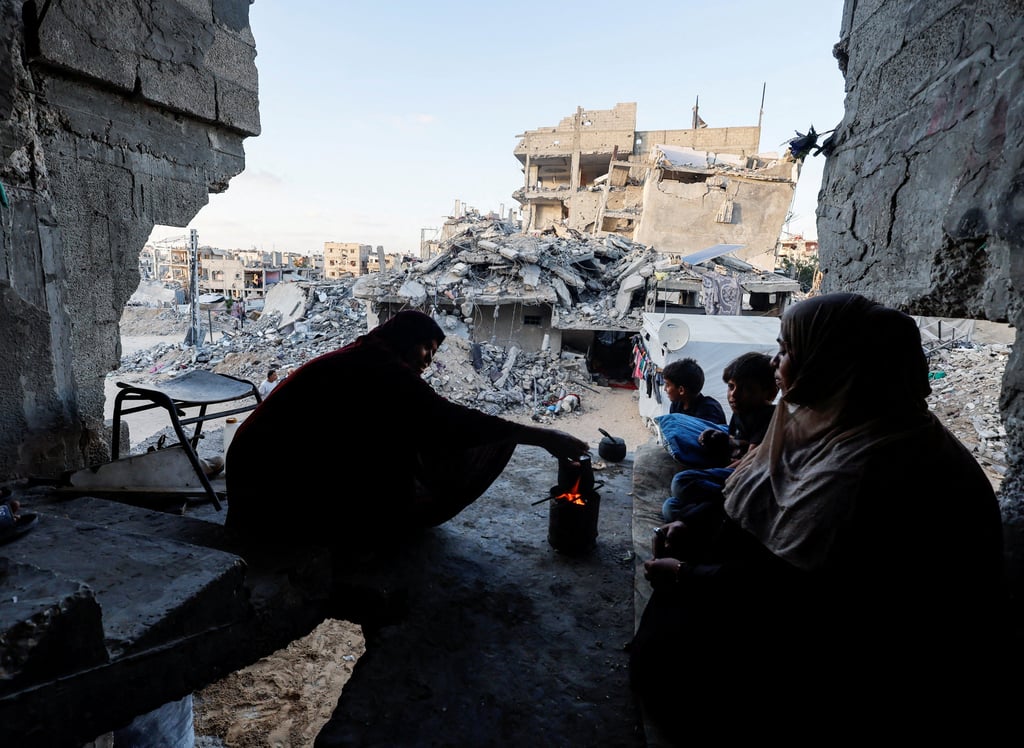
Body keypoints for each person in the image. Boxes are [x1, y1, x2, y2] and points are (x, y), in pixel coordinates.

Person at [630, 293, 1008, 738]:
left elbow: (796, 594)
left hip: (840, 663)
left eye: (788, 350)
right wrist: (694, 524)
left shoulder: (874, 466)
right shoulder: (826, 419)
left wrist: (687, 575)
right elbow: (763, 487)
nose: (775, 363)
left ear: (836, 363)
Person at [226, 310, 590, 550]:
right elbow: (449, 421)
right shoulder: (381, 369)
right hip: (268, 480)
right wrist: (542, 436)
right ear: (405, 341)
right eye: (426, 350)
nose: (428, 362)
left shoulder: (366, 356)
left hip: (257, 466)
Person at [662, 351, 777, 523]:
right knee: (671, 506)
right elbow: (737, 443)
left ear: (770, 394)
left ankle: (721, 507)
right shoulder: (739, 413)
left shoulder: (768, 416)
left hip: (742, 480)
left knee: (682, 482)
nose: (734, 395)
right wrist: (720, 438)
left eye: (746, 389)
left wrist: (707, 473)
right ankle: (709, 513)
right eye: (731, 387)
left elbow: (751, 463)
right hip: (726, 475)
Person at [661, 358, 726, 424]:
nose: (665, 389)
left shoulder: (709, 410)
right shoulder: (676, 405)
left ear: (681, 390)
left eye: (667, 385)